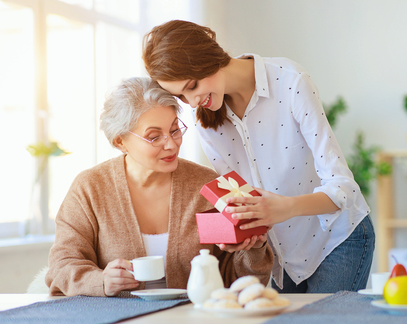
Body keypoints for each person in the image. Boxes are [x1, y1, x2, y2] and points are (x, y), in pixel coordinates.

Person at [142, 20, 375, 293]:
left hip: (337, 239)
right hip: (282, 257)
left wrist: (284, 208)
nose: (192, 101)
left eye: (192, 86)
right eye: (181, 96)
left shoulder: (290, 81)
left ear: (208, 57)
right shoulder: (206, 123)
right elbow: (243, 199)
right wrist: (242, 232)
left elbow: (343, 187)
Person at [45, 77, 273, 297]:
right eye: (154, 137)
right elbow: (61, 266)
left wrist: (254, 247)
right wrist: (101, 281)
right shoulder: (90, 188)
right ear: (120, 141)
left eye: (175, 130)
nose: (171, 144)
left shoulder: (207, 185)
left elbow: (234, 281)